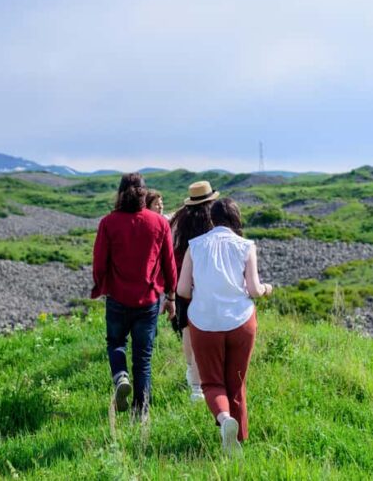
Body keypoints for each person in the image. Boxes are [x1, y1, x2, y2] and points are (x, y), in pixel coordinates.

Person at [177, 198, 273, 454]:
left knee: (211, 382)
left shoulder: (194, 246)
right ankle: (239, 441)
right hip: (240, 321)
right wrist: (266, 289)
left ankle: (224, 419)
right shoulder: (246, 246)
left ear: (212, 219)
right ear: (236, 218)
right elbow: (253, 289)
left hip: (204, 322)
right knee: (237, 382)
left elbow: (182, 290)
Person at [92, 173, 177, 416]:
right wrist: (171, 297)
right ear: (143, 193)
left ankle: (120, 376)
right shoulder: (159, 223)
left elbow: (99, 263)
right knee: (143, 358)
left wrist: (102, 286)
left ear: (120, 194)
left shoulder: (108, 223)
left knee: (116, 343)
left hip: (117, 297)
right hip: (148, 300)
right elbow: (169, 263)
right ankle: (141, 413)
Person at [169, 181, 217, 401]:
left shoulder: (179, 219)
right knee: (211, 328)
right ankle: (209, 375)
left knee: (188, 328)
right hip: (209, 281)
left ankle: (192, 371)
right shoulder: (214, 220)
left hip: (183, 280)